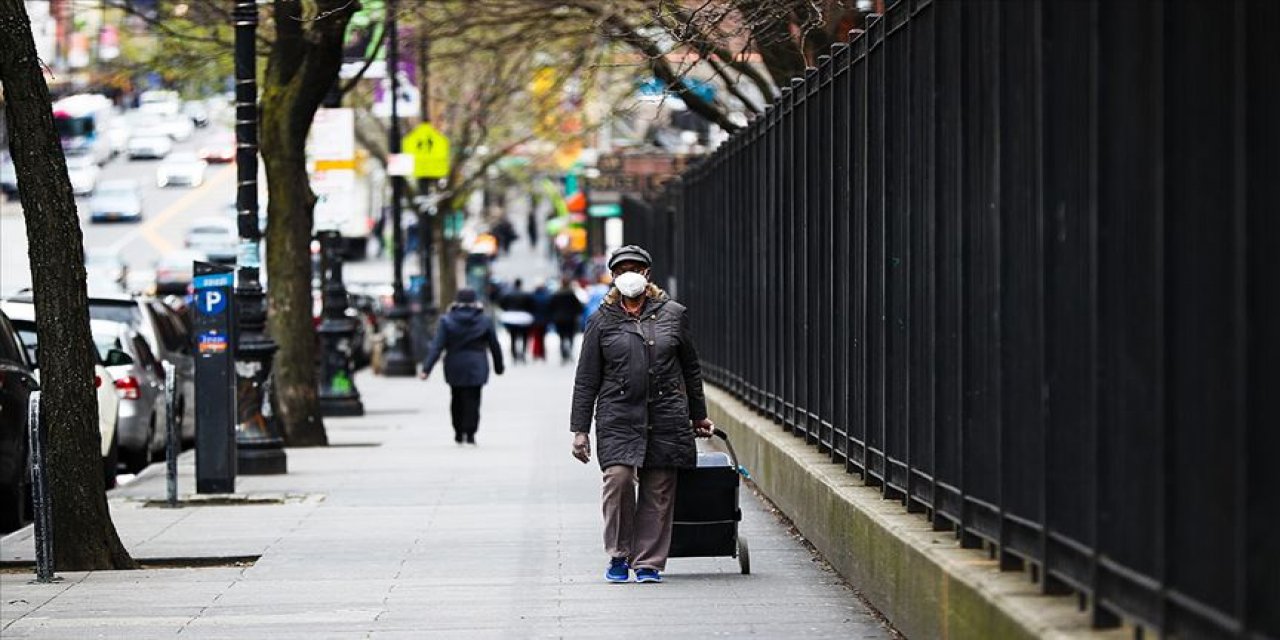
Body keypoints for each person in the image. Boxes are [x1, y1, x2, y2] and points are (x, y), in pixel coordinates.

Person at [569, 245, 715, 584]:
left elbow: (690, 369)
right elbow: (587, 377)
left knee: (658, 488)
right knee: (618, 480)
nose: (629, 274)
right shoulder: (601, 320)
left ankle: (648, 561)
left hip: (665, 414)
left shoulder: (673, 314)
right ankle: (619, 555)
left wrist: (698, 415)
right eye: (621, 269)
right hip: (617, 414)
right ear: (613, 276)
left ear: (647, 273)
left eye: (635, 268)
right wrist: (579, 429)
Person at [419, 288, 505, 445]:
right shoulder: (484, 320)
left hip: (454, 363)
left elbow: (437, 346)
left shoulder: (446, 320)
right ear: (475, 302)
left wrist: (426, 369)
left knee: (456, 397)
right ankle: (471, 432)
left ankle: (458, 431)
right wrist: (499, 366)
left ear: (456, 302)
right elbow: (494, 345)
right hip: (477, 363)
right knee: (474, 398)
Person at [548, 277, 585, 364]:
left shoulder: (556, 294)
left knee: (561, 337)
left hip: (559, 319)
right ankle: (570, 352)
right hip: (570, 318)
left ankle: (563, 354)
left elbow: (551, 306)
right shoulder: (571, 294)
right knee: (570, 336)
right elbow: (579, 306)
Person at [498, 278, 535, 363]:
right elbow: (531, 305)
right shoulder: (526, 294)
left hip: (511, 318)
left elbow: (502, 304)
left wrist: (507, 309)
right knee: (524, 337)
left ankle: (514, 355)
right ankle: (523, 354)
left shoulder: (508, 294)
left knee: (513, 338)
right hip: (524, 318)